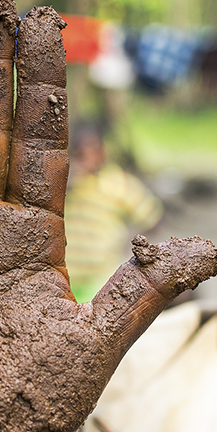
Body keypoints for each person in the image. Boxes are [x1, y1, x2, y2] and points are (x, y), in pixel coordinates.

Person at [63, 122, 162, 301]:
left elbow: (154, 219)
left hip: (103, 277)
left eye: (91, 149)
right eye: (80, 150)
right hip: (68, 277)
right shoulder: (65, 183)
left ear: (102, 151)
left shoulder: (118, 183)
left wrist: (131, 241)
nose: (86, 155)